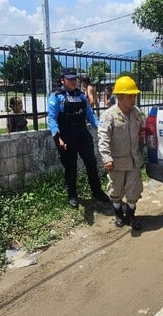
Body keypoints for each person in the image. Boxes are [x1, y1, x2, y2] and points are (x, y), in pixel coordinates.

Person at [47, 68, 110, 208]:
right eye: (70, 79)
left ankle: (97, 191)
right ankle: (72, 195)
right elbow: (51, 119)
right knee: (71, 167)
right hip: (66, 135)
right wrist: (58, 138)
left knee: (91, 162)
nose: (74, 81)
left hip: (82, 133)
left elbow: (90, 115)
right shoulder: (56, 97)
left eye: (75, 78)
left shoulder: (81, 96)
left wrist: (101, 128)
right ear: (62, 80)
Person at [97, 75, 145, 230]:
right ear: (121, 96)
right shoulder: (109, 115)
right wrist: (107, 158)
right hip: (116, 162)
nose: (134, 98)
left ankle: (131, 215)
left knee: (134, 189)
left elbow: (142, 130)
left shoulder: (136, 112)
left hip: (134, 160)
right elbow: (103, 138)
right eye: (131, 95)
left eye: (134, 95)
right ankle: (118, 213)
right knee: (116, 190)